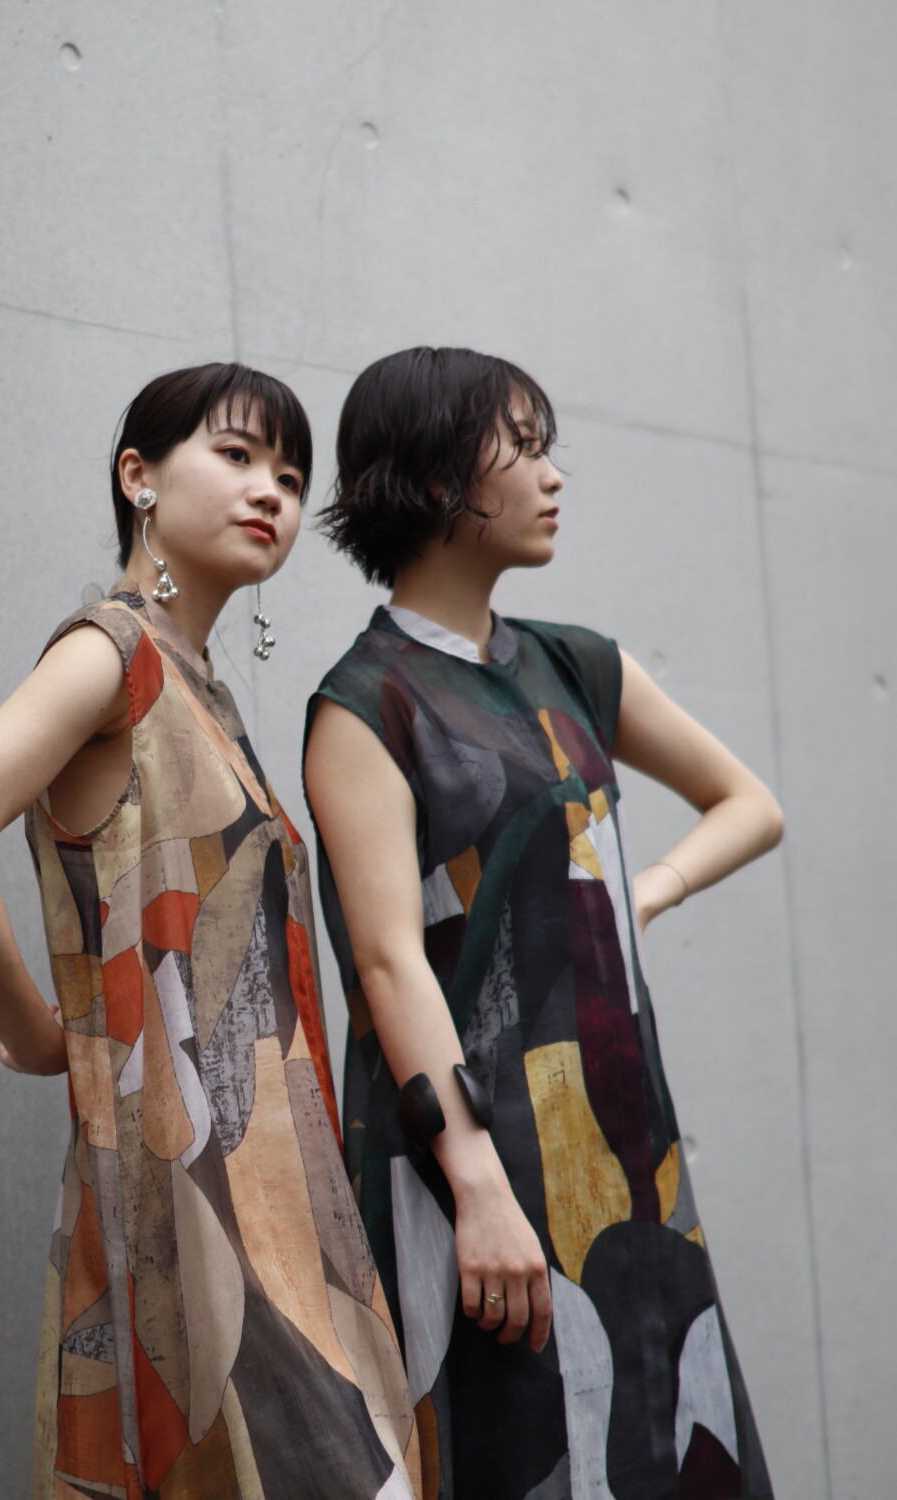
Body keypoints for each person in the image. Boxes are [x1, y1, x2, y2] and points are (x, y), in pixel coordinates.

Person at [0, 363, 422, 1500]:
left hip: (277, 1187)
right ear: (139, 476)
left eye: (291, 476)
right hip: (188, 1193)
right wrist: (40, 1033)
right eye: (236, 456)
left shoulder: (200, 687)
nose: (271, 491)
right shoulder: (111, 652)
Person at [303, 346, 783, 1500]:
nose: (552, 474)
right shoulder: (366, 705)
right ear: (434, 480)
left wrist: (640, 893)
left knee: (672, 1439)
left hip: (624, 1151)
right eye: (520, 447)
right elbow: (387, 963)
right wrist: (475, 1187)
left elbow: (749, 805)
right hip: (477, 1165)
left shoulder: (577, 664)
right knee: (518, 1454)